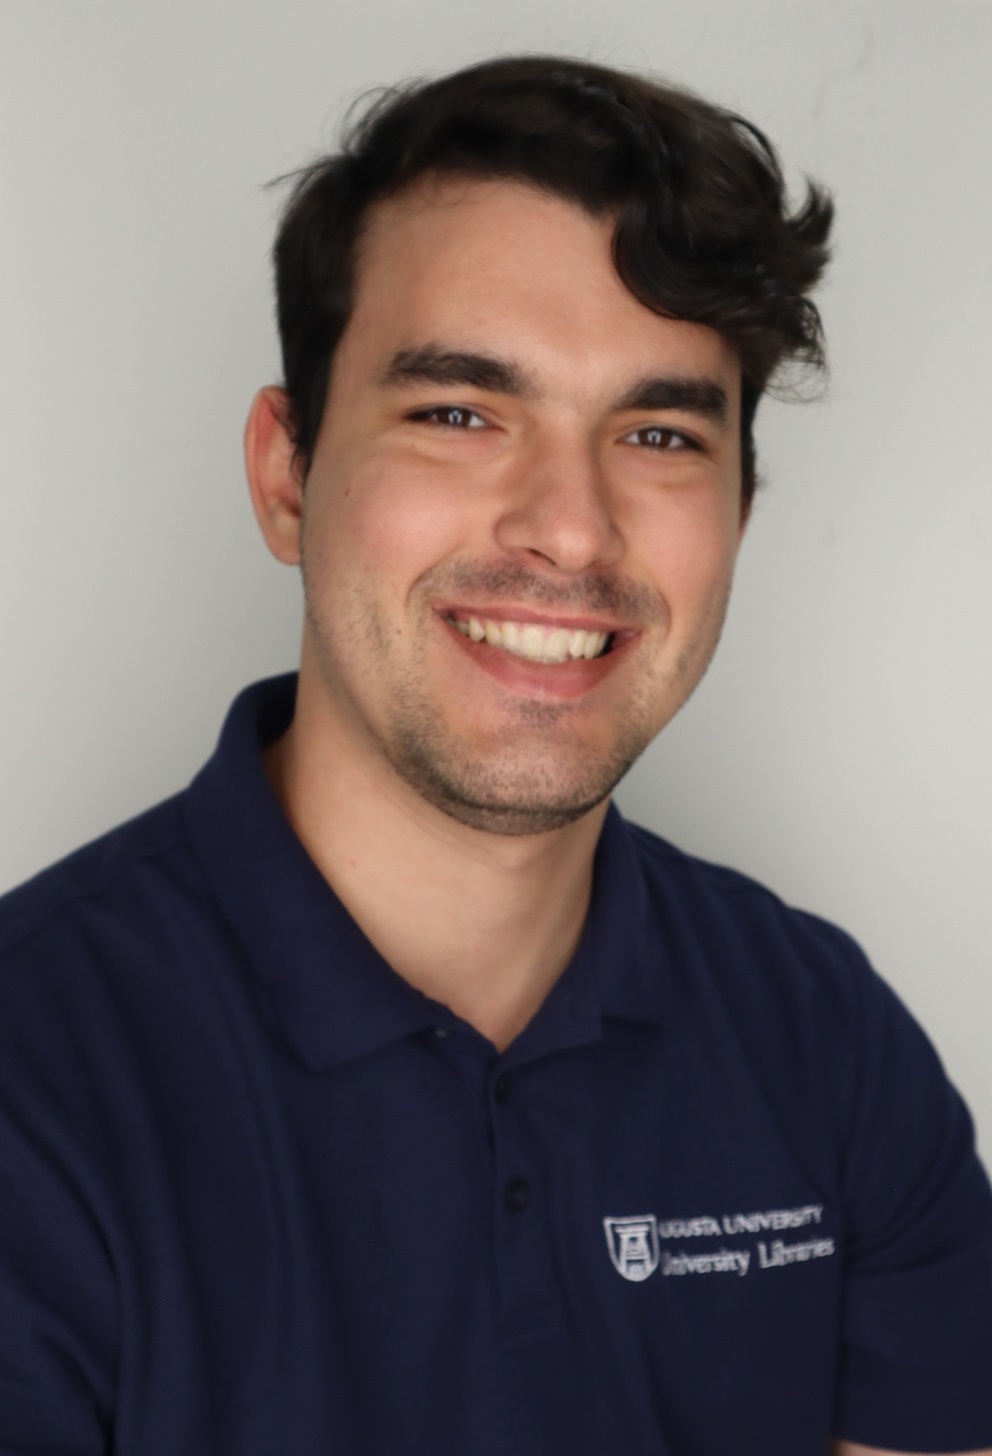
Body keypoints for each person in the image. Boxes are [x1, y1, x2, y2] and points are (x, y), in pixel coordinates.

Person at [1, 54, 990, 1456]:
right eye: (459, 414)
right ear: (287, 475)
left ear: (739, 518)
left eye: (658, 433)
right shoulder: (33, 1077)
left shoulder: (830, 1046)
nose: (571, 530)